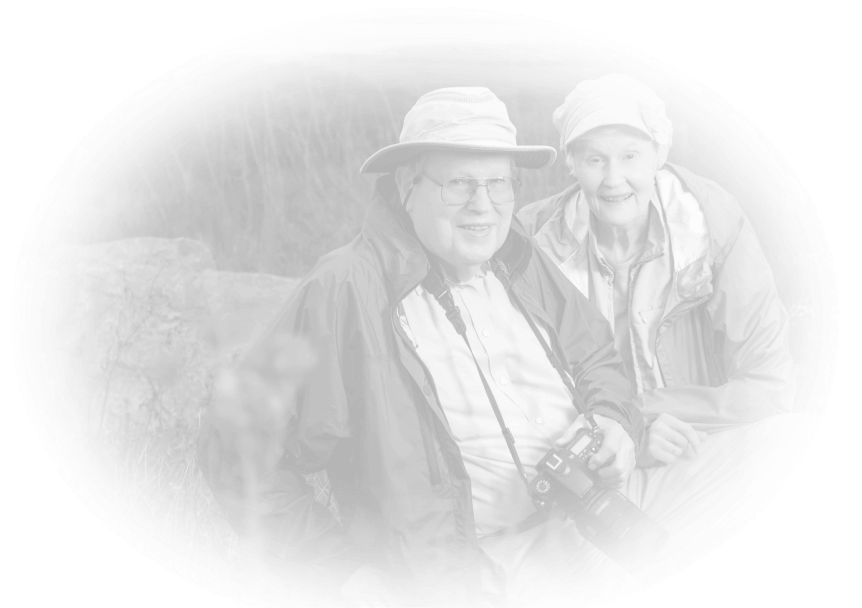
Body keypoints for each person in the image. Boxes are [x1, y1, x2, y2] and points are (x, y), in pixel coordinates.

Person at [198, 86, 647, 607]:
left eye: (499, 183)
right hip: (481, 565)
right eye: (459, 183)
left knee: (762, 448)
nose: (483, 205)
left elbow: (597, 357)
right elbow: (235, 442)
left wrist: (614, 421)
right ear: (408, 186)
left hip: (601, 508)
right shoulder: (347, 288)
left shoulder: (520, 257)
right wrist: (333, 566)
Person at [516, 73, 815, 598]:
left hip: (697, 445)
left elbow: (769, 384)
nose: (613, 180)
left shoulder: (710, 221)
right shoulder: (530, 245)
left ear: (659, 152)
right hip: (593, 473)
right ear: (570, 163)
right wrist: (622, 437)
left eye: (630, 156)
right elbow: (519, 399)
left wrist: (641, 417)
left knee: (798, 437)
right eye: (594, 159)